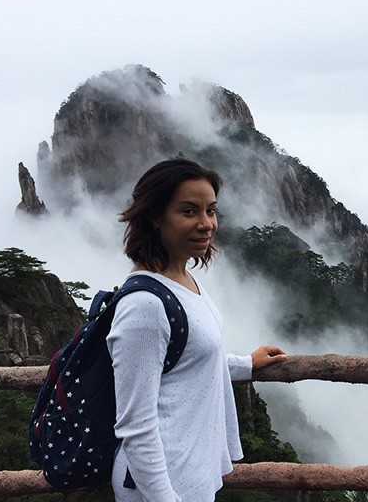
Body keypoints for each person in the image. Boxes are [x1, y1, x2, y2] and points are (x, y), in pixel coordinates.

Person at [106, 158, 287, 502]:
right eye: (189, 212)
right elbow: (136, 426)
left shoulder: (185, 281)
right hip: (160, 483)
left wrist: (245, 364)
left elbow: (188, 357)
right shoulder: (144, 305)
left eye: (211, 211)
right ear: (155, 217)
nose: (206, 224)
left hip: (190, 471)